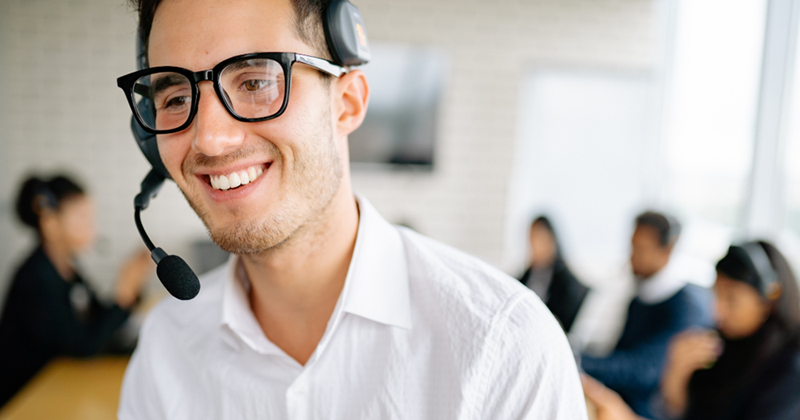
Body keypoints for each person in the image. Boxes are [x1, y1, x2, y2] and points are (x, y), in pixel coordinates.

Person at [115, 0, 587, 418]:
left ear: (347, 102)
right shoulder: (167, 348)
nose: (209, 138)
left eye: (256, 80)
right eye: (175, 97)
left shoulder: (504, 348)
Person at [583, 241, 800, 420]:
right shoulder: (723, 342)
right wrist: (676, 379)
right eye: (716, 295)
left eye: (732, 300)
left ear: (770, 299)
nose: (718, 311)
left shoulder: (790, 367)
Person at [0, 175, 152, 408]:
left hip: (59, 387)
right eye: (83, 220)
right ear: (50, 224)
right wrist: (123, 294)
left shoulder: (69, 270)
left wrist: (131, 287)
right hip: (26, 398)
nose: (91, 229)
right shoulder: (34, 278)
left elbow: (98, 319)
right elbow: (81, 347)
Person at [581, 211, 714, 418]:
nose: (632, 256)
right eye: (632, 246)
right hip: (615, 403)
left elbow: (645, 371)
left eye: (642, 249)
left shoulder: (684, 307)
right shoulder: (639, 297)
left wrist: (581, 362)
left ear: (667, 250)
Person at [518, 215, 589, 332]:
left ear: (551, 239)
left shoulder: (567, 285)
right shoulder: (524, 278)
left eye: (538, 239)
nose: (534, 246)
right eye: (531, 239)